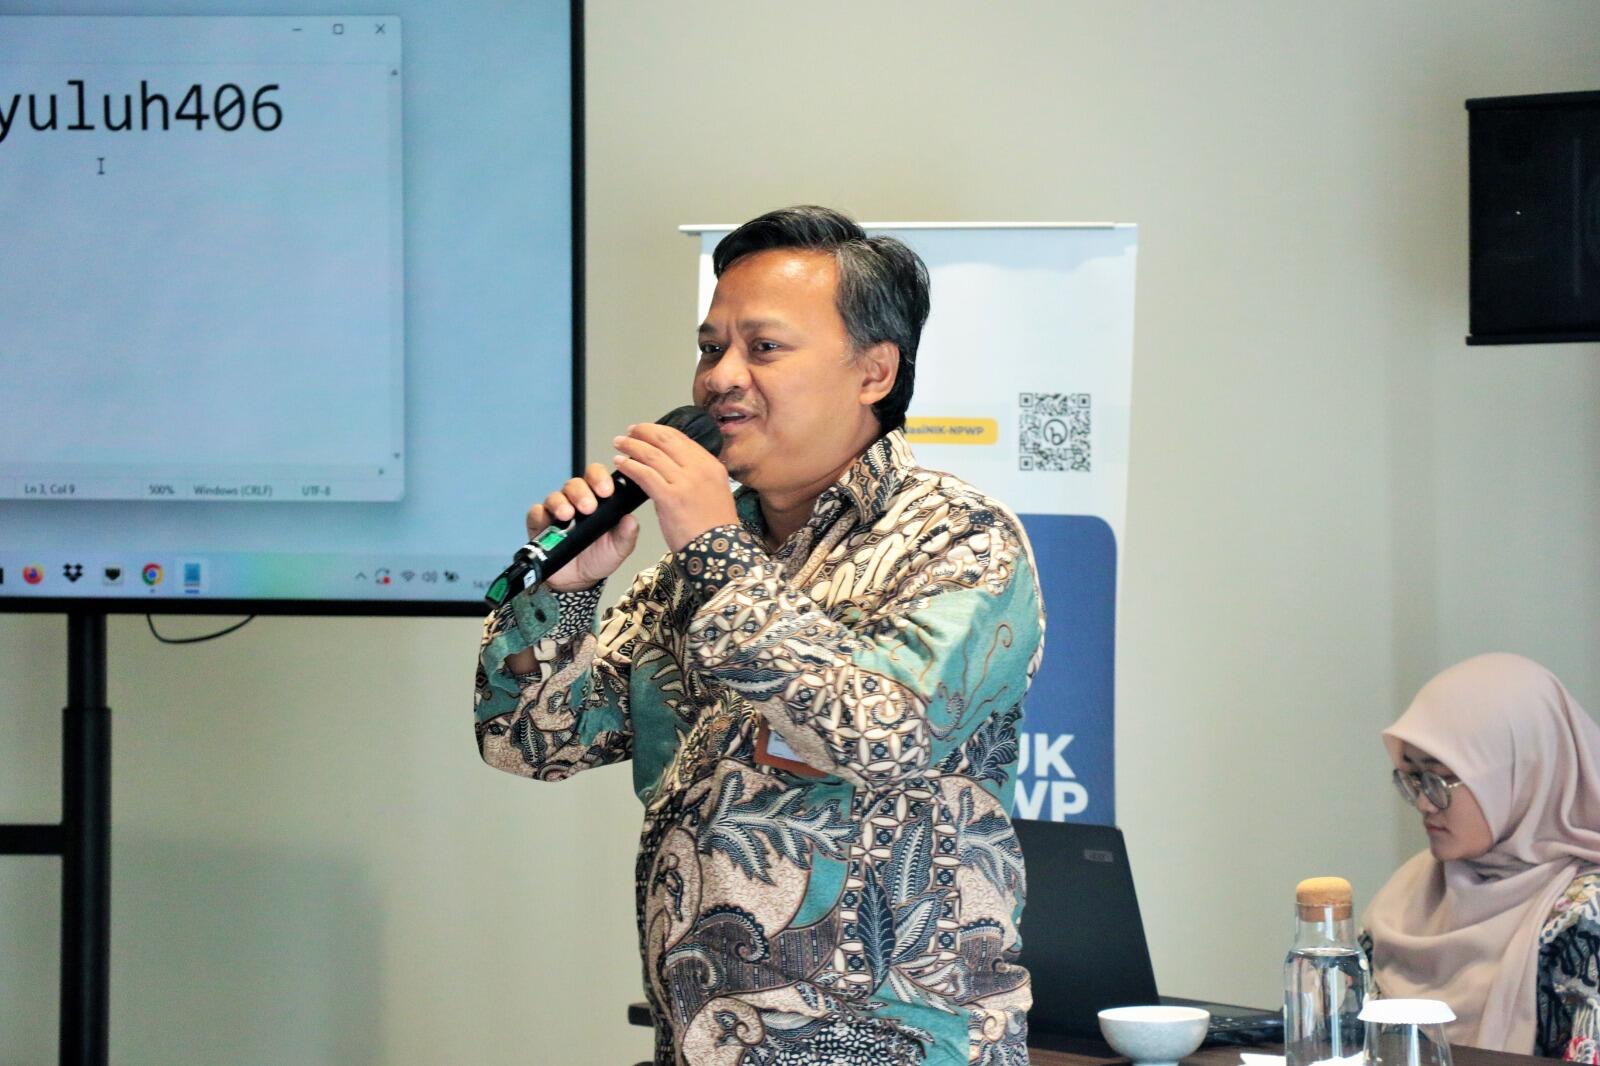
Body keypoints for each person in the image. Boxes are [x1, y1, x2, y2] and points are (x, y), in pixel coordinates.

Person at [473, 206, 1045, 1065]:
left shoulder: (955, 538)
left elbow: (881, 736)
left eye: (763, 347)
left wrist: (715, 553)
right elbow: (530, 745)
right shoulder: (703, 561)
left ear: (874, 372)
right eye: (711, 348)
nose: (720, 378)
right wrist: (567, 595)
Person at [1362, 653, 1600, 1061]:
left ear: (1523, 773)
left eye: (1439, 780)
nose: (1423, 803)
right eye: (1413, 778)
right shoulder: (1413, 888)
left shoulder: (1585, 911)